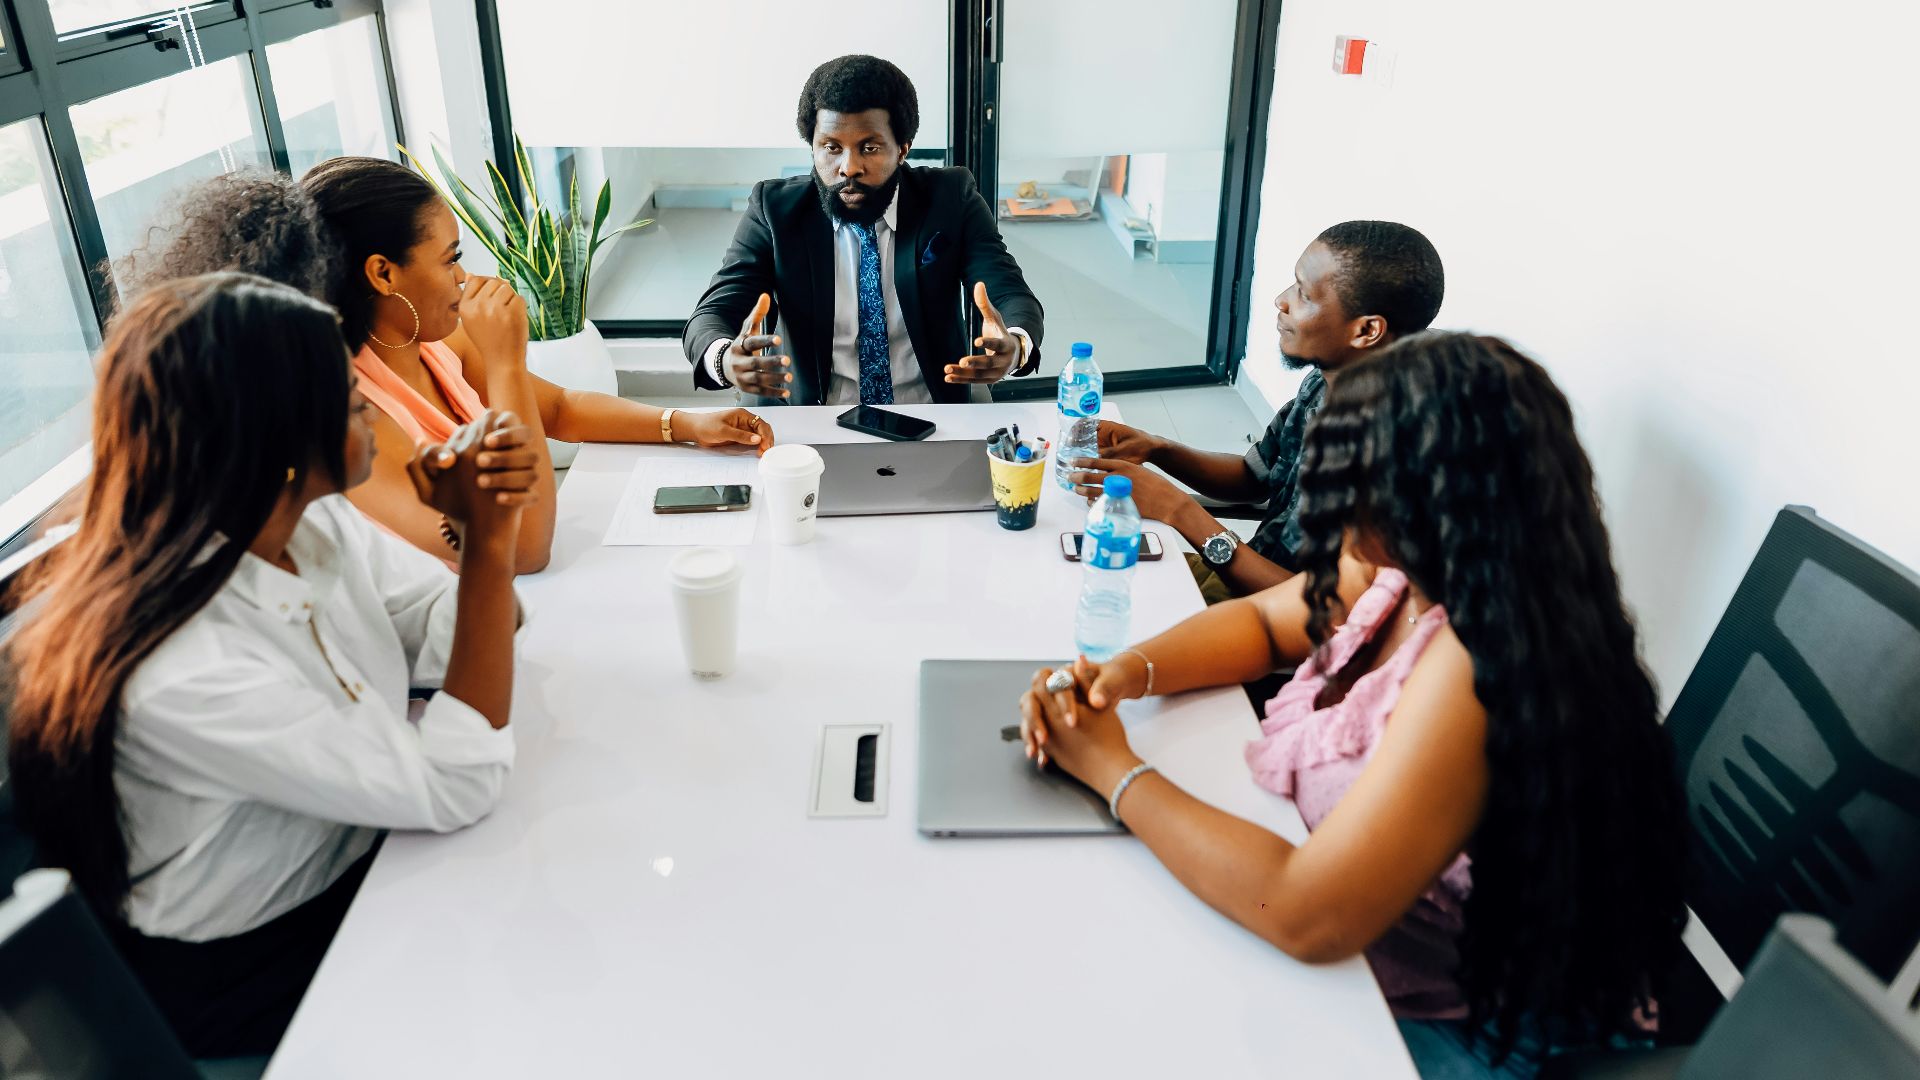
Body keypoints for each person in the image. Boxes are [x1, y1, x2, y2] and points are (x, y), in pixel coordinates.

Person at [1020, 332, 1687, 1078]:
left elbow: (1308, 914)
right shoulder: (1407, 565)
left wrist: (1115, 771)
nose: (1326, 503)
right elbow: (1272, 622)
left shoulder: (1476, 666)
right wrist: (1130, 670)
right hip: (1355, 942)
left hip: (1466, 1024)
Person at [4, 274, 537, 1057]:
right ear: (274, 431)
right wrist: (490, 544)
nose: (364, 394)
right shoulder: (182, 670)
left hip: (367, 857)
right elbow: (457, 783)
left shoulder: (311, 521)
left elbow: (467, 626)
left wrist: (468, 529)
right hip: (259, 961)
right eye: (342, 384)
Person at [299, 156, 773, 572]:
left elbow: (561, 409)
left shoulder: (434, 342)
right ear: (383, 273)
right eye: (451, 259)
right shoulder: (348, 414)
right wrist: (504, 362)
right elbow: (524, 550)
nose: (463, 276)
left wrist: (688, 423)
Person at [1069, 221, 1444, 600]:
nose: (1281, 301)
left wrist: (1179, 511)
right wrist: (1158, 449)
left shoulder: (1403, 449)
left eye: (1303, 293)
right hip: (1245, 583)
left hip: (1287, 631)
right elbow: (1254, 476)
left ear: (1366, 331)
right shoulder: (1330, 379)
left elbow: (1324, 613)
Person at [683, 54, 1045, 406]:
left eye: (869, 148)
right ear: (813, 147)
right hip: (812, 415)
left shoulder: (951, 198)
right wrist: (724, 361)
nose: (848, 167)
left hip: (930, 407)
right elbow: (713, 313)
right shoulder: (774, 210)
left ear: (902, 149)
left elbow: (1010, 292)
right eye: (831, 148)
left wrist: (1015, 345)